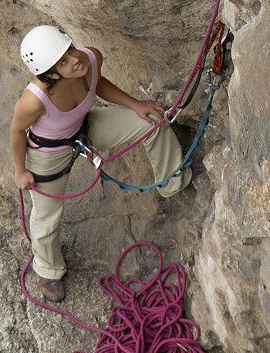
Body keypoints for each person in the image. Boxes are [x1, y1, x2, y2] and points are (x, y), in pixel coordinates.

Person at [10, 25, 192, 301]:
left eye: (69, 49)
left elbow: (98, 83)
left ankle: (173, 180)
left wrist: (134, 104)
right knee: (47, 216)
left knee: (152, 121)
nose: (74, 59)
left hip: (85, 126)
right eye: (63, 61)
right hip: (48, 151)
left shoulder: (90, 58)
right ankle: (47, 269)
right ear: (51, 74)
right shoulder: (33, 101)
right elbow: (16, 131)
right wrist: (21, 170)